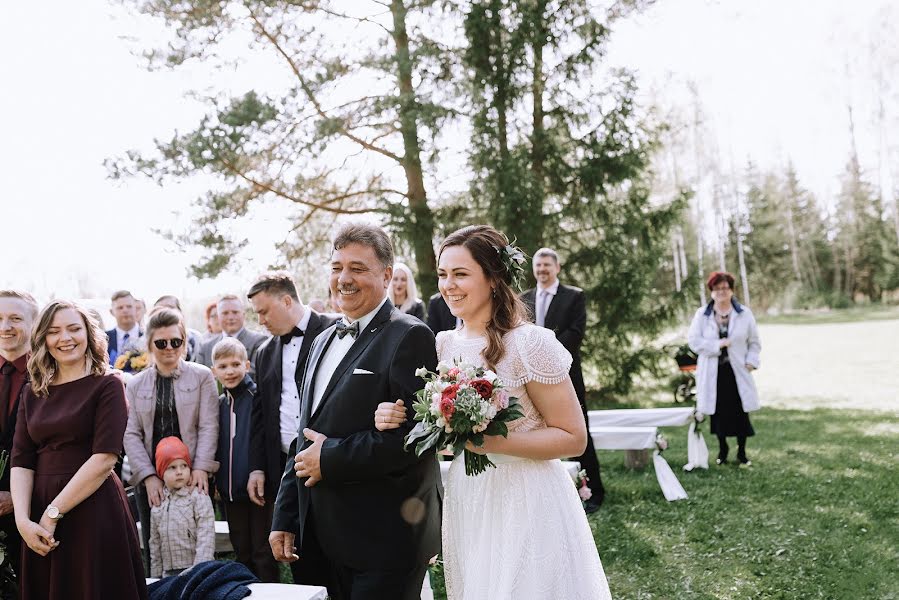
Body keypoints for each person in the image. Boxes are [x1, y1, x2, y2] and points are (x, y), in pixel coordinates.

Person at [375, 225, 611, 599]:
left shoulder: (530, 343)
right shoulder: (443, 344)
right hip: (470, 494)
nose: (448, 285)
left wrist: (493, 439)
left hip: (528, 496)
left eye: (461, 274)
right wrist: (393, 415)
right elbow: (437, 432)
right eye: (442, 275)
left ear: (494, 277)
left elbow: (573, 437)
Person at [269, 224, 440, 600]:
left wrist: (329, 458)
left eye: (358, 268)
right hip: (317, 538)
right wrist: (286, 516)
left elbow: (414, 440)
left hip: (383, 540)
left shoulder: (411, 335)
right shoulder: (322, 339)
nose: (344, 278)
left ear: (387, 275)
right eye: (337, 267)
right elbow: (305, 432)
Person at [11, 300, 147, 599]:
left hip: (93, 507)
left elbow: (104, 459)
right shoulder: (33, 389)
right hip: (37, 513)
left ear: (89, 333)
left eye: (74, 328)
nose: (65, 338)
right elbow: (21, 459)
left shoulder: (109, 384)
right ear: (43, 338)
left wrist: (52, 514)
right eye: (55, 331)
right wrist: (23, 521)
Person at [246, 271, 338, 584]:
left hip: (332, 460)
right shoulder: (263, 352)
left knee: (338, 556)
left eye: (263, 311)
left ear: (286, 300)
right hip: (287, 467)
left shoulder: (337, 331)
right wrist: (258, 468)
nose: (260, 321)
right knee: (303, 559)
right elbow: (259, 415)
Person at [122, 307, 219, 569]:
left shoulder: (202, 377)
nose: (169, 348)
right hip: (152, 479)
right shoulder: (135, 384)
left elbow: (209, 425)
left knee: (198, 542)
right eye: (161, 342)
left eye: (175, 341)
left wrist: (200, 468)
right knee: (155, 548)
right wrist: (149, 477)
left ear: (184, 342)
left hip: (192, 476)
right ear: (150, 344)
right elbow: (131, 433)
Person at [521, 247, 605, 512]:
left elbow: (575, 333)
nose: (542, 269)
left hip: (567, 375)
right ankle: (555, 494)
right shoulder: (524, 298)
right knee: (540, 431)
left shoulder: (574, 296)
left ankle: (593, 492)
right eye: (538, 265)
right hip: (531, 379)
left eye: (547, 265)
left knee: (579, 432)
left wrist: (546, 356)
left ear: (557, 268)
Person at [211, 337, 279, 581]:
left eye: (235, 364)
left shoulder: (257, 397)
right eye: (223, 366)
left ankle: (270, 593)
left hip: (258, 490)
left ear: (247, 365)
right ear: (214, 371)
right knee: (242, 550)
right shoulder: (218, 404)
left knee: (263, 550)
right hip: (231, 491)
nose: (230, 371)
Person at [688, 271, 761, 466]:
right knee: (718, 413)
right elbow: (694, 342)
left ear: (731, 290)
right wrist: (717, 345)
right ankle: (722, 450)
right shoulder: (702, 315)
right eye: (717, 288)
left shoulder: (744, 314)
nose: (721, 292)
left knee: (740, 412)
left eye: (725, 288)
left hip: (737, 371)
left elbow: (754, 342)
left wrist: (752, 361)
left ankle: (742, 452)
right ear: (712, 291)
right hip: (714, 372)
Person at [0, 290, 39, 578]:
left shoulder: (50, 375)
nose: (5, 327)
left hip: (33, 511)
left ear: (34, 325)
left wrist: (17, 495)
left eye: (15, 318)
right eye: (0, 319)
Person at [148, 436, 215, 578]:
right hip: (167, 575)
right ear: (161, 473)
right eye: (172, 467)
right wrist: (155, 579)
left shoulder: (198, 497)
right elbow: (155, 545)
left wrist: (199, 572)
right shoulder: (158, 504)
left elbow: (206, 537)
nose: (179, 471)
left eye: (184, 466)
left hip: (194, 571)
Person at [196, 295, 268, 371]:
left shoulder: (259, 342)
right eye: (225, 313)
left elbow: (257, 373)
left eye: (235, 312)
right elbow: (200, 378)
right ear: (218, 317)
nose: (230, 317)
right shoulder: (205, 348)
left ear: (243, 315)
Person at [153, 295, 202, 363]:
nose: (165, 312)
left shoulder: (196, 338)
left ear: (180, 312)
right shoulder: (147, 340)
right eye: (159, 309)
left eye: (170, 307)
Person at [106, 290, 143, 365]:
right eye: (120, 308)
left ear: (136, 309)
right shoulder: (104, 338)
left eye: (129, 306)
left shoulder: (148, 336)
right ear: (111, 312)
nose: (125, 310)